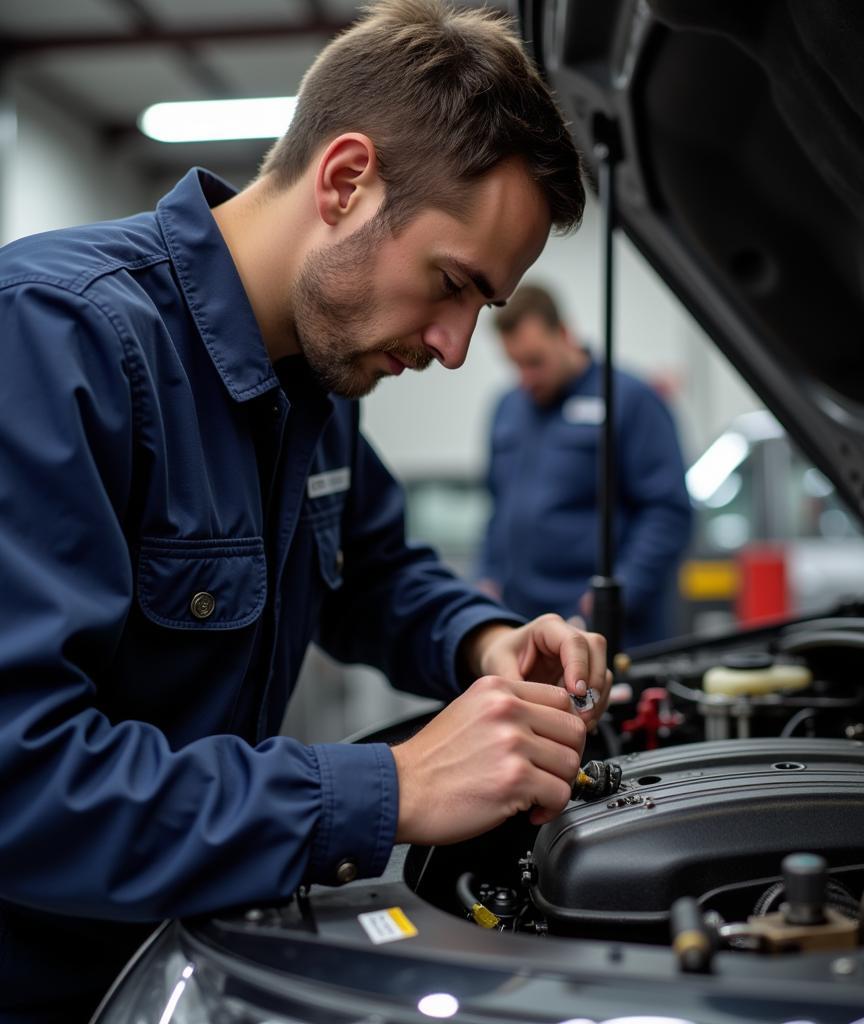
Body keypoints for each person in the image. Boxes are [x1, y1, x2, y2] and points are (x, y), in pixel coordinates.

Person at [0, 3, 609, 1020]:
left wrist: (482, 640)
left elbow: (371, 570)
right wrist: (387, 788)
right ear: (343, 181)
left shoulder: (311, 386)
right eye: (450, 284)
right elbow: (21, 775)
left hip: (188, 953)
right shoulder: (57, 342)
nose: (457, 349)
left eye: (484, 310)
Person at [478, 283, 692, 648]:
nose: (526, 379)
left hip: (606, 630)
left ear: (564, 334)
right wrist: (486, 577)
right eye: (515, 365)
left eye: (535, 361)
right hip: (524, 624)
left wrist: (617, 597)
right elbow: (499, 507)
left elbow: (667, 513)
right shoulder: (508, 409)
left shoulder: (630, 401)